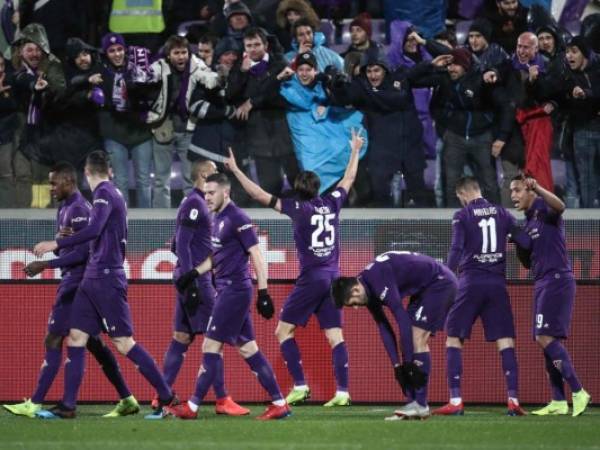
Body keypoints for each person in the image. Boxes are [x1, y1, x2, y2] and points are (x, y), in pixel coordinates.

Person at [224, 128, 364, 407]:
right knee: (335, 336)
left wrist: (236, 171)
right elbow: (348, 178)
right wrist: (355, 150)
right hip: (334, 278)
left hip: (312, 279)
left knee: (282, 332)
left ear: (297, 189)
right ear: (318, 187)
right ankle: (343, 392)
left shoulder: (296, 208)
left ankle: (300, 386)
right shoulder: (331, 203)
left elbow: (259, 194)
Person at [32, 151, 176, 419]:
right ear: (109, 170)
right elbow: (97, 232)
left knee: (123, 342)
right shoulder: (113, 193)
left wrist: (57, 244)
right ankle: (68, 406)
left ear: (86, 174)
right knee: (76, 337)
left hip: (107, 276)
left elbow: (95, 228)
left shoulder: (103, 194)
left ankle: (167, 396)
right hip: (93, 276)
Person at [2, 162, 139, 419]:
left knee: (54, 338)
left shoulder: (78, 208)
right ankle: (127, 396)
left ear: (69, 181)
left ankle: (36, 403)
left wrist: (47, 262)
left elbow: (83, 253)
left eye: (54, 183)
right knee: (94, 344)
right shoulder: (66, 207)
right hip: (78, 281)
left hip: (78, 283)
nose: (51, 188)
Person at [164, 173, 291, 420]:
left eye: (212, 192)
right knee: (248, 348)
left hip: (235, 290)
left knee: (210, 345)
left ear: (226, 192)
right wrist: (193, 273)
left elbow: (256, 254)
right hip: (227, 288)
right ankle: (279, 402)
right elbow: (216, 256)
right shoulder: (217, 218)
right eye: (205, 192)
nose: (207, 197)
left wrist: (264, 291)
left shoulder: (237, 217)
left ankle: (191, 406)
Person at [156, 159, 248, 415]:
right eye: (214, 173)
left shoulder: (197, 203)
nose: (218, 176)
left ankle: (161, 396)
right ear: (204, 175)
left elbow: (176, 244)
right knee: (214, 340)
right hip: (196, 280)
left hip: (189, 278)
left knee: (182, 338)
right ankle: (222, 399)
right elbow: (182, 245)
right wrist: (193, 283)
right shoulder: (196, 204)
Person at [432, 176, 528, 417]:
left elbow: (455, 249)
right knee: (505, 341)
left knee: (453, 338)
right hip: (497, 284)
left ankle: (455, 400)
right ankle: (514, 400)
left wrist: (444, 277)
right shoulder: (503, 213)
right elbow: (525, 240)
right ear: (479, 190)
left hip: (471, 283)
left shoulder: (462, 216)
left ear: (463, 194)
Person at [331, 251, 457, 420]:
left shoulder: (377, 279)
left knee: (416, 337)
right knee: (408, 340)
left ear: (355, 289)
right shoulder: (366, 289)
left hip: (440, 282)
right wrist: (397, 366)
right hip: (423, 290)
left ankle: (420, 404)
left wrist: (408, 363)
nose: (355, 308)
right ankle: (412, 403)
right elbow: (384, 326)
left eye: (352, 303)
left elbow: (401, 319)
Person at [509, 174, 590, 417]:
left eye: (517, 190)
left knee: (544, 336)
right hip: (542, 281)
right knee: (544, 341)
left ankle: (578, 391)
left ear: (529, 189)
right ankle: (557, 401)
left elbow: (561, 206)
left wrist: (540, 188)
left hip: (557, 280)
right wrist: (516, 240)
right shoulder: (529, 220)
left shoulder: (545, 208)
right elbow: (526, 263)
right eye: (511, 191)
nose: (513, 195)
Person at [278, 52, 367, 195]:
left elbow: (343, 99)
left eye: (308, 70)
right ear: (296, 71)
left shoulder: (322, 85)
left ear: (315, 70)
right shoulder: (288, 86)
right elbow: (303, 102)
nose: (304, 74)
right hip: (303, 136)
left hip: (323, 134)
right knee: (310, 168)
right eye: (301, 70)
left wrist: (328, 87)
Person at [146, 34, 219, 208]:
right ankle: (160, 222)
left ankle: (192, 215)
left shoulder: (197, 65)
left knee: (191, 178)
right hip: (163, 127)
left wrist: (219, 76)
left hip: (188, 129)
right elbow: (149, 76)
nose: (181, 57)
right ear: (168, 55)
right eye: (176, 53)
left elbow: (209, 80)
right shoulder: (159, 66)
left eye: (184, 52)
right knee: (160, 179)